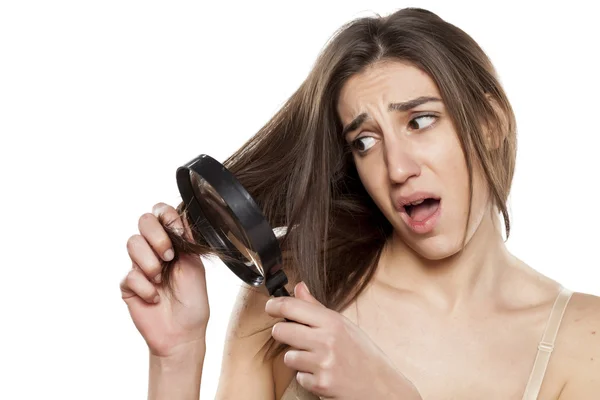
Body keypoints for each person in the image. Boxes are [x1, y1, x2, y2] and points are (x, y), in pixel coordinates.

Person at [120, 7, 600, 399]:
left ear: (490, 123)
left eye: (419, 121)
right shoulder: (293, 290)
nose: (397, 168)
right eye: (365, 142)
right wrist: (175, 360)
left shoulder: (583, 340)